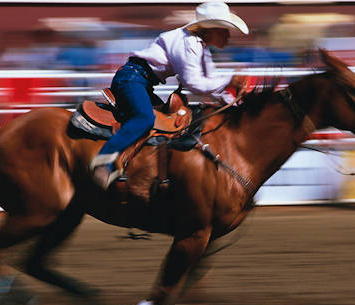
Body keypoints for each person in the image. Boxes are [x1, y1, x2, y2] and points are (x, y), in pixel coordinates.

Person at [90, 1, 250, 189]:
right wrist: (230, 80)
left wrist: (234, 102)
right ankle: (102, 161)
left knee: (162, 123)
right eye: (225, 30)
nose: (229, 35)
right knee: (144, 119)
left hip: (140, 80)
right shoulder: (188, 43)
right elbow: (194, 82)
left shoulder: (199, 45)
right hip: (132, 79)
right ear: (211, 29)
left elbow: (211, 80)